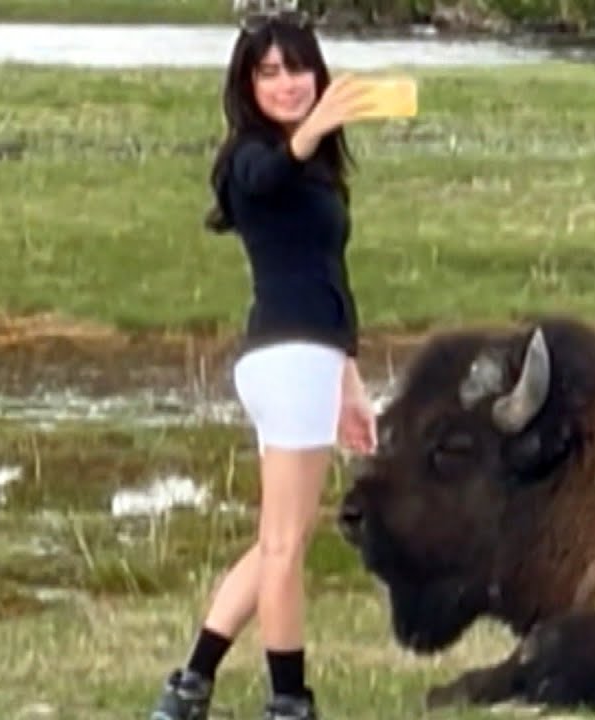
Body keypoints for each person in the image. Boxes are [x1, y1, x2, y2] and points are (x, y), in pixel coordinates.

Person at [149, 8, 378, 720]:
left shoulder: (314, 174)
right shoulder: (249, 159)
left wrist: (351, 381)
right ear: (248, 85)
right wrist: (309, 131)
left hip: (305, 359)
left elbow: (325, 281)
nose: (287, 84)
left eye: (298, 68)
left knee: (279, 540)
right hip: (285, 362)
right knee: (285, 547)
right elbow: (270, 177)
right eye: (269, 72)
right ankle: (288, 703)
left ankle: (190, 686)